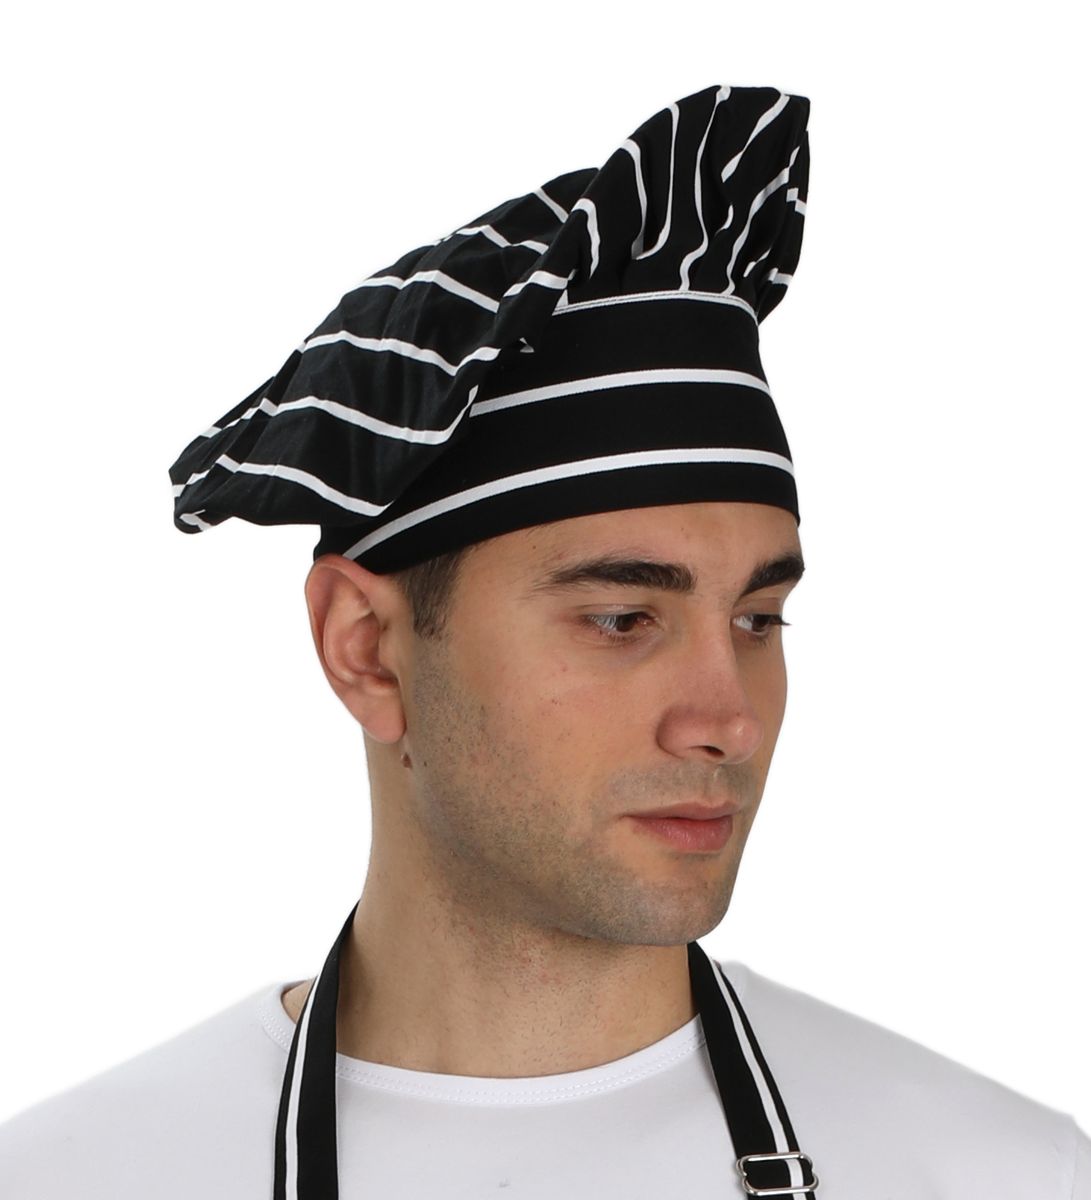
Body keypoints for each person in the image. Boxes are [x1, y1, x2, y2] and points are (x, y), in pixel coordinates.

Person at [1, 83, 1087, 1200]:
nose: (727, 719)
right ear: (365, 649)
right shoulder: (72, 1180)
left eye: (756, 619)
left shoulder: (1001, 1175)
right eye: (621, 619)